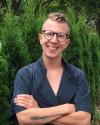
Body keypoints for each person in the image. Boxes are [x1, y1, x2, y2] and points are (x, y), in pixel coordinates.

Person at [9, 12, 91, 125]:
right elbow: (24, 118)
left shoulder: (78, 76)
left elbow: (84, 120)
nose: (53, 40)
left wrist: (37, 111)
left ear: (67, 43)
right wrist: (66, 108)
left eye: (60, 35)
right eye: (49, 33)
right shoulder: (25, 74)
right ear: (40, 38)